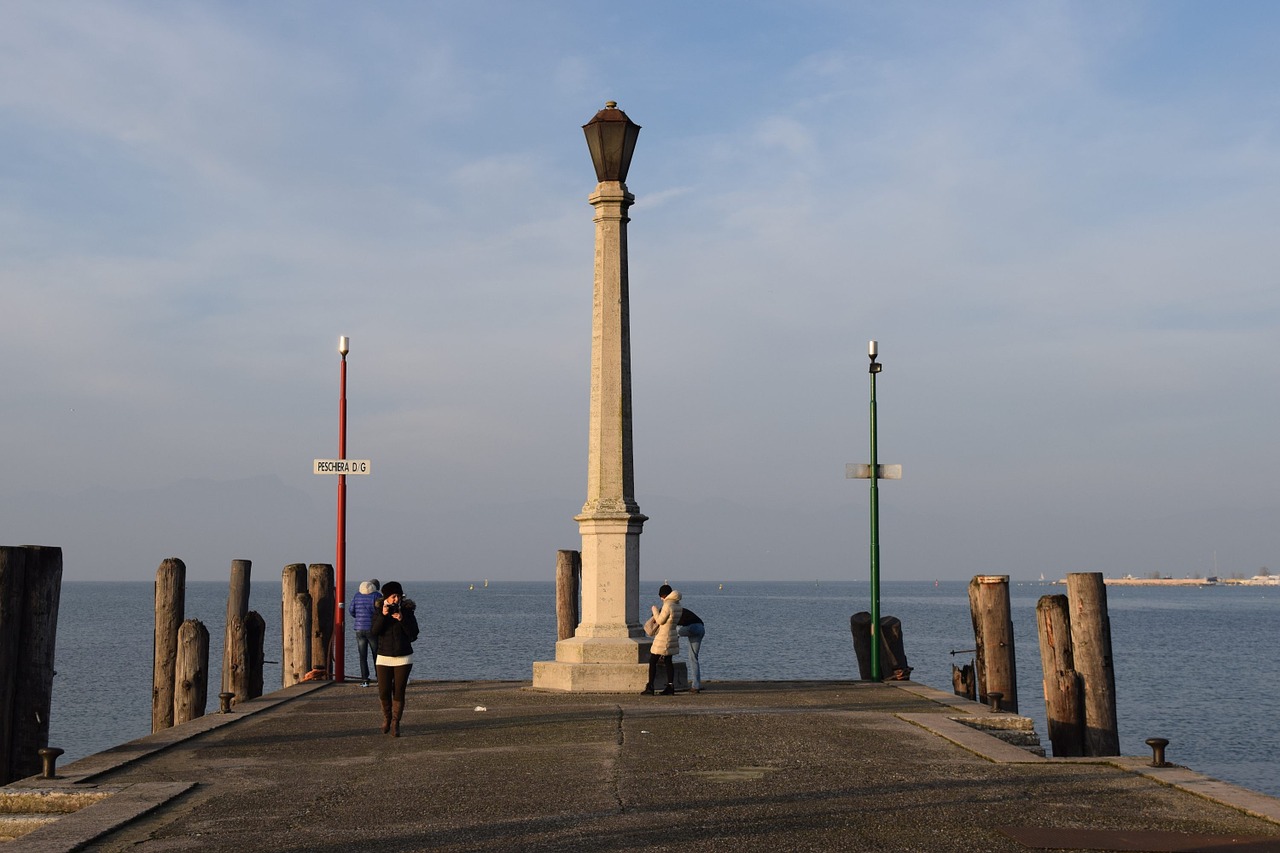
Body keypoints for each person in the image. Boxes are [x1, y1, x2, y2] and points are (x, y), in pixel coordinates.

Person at [370, 581, 419, 736]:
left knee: (399, 691)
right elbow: (374, 632)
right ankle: (387, 718)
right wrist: (384, 615)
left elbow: (414, 634)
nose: (396, 600)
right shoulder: (379, 611)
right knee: (384, 691)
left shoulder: (407, 611)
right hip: (383, 656)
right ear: (386, 598)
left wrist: (402, 619)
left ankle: (395, 723)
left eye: (398, 596)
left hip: (403, 657)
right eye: (393, 597)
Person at [642, 584, 681, 696]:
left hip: (663, 637)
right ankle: (670, 686)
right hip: (672, 634)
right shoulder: (678, 604)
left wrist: (655, 610)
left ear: (665, 595)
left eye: (661, 595)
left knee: (653, 660)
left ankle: (650, 687)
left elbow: (660, 620)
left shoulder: (668, 605)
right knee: (668, 661)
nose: (661, 598)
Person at [349, 579, 380, 687]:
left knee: (363, 656)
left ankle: (365, 680)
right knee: (377, 655)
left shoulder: (357, 596)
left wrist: (358, 618)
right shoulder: (376, 595)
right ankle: (380, 678)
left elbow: (351, 610)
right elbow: (380, 611)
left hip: (359, 629)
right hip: (372, 629)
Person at [677, 603, 705, 693]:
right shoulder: (679, 609)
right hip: (701, 628)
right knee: (693, 658)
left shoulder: (670, 612)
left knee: (674, 631)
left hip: (693, 628)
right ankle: (696, 685)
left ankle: (664, 654)